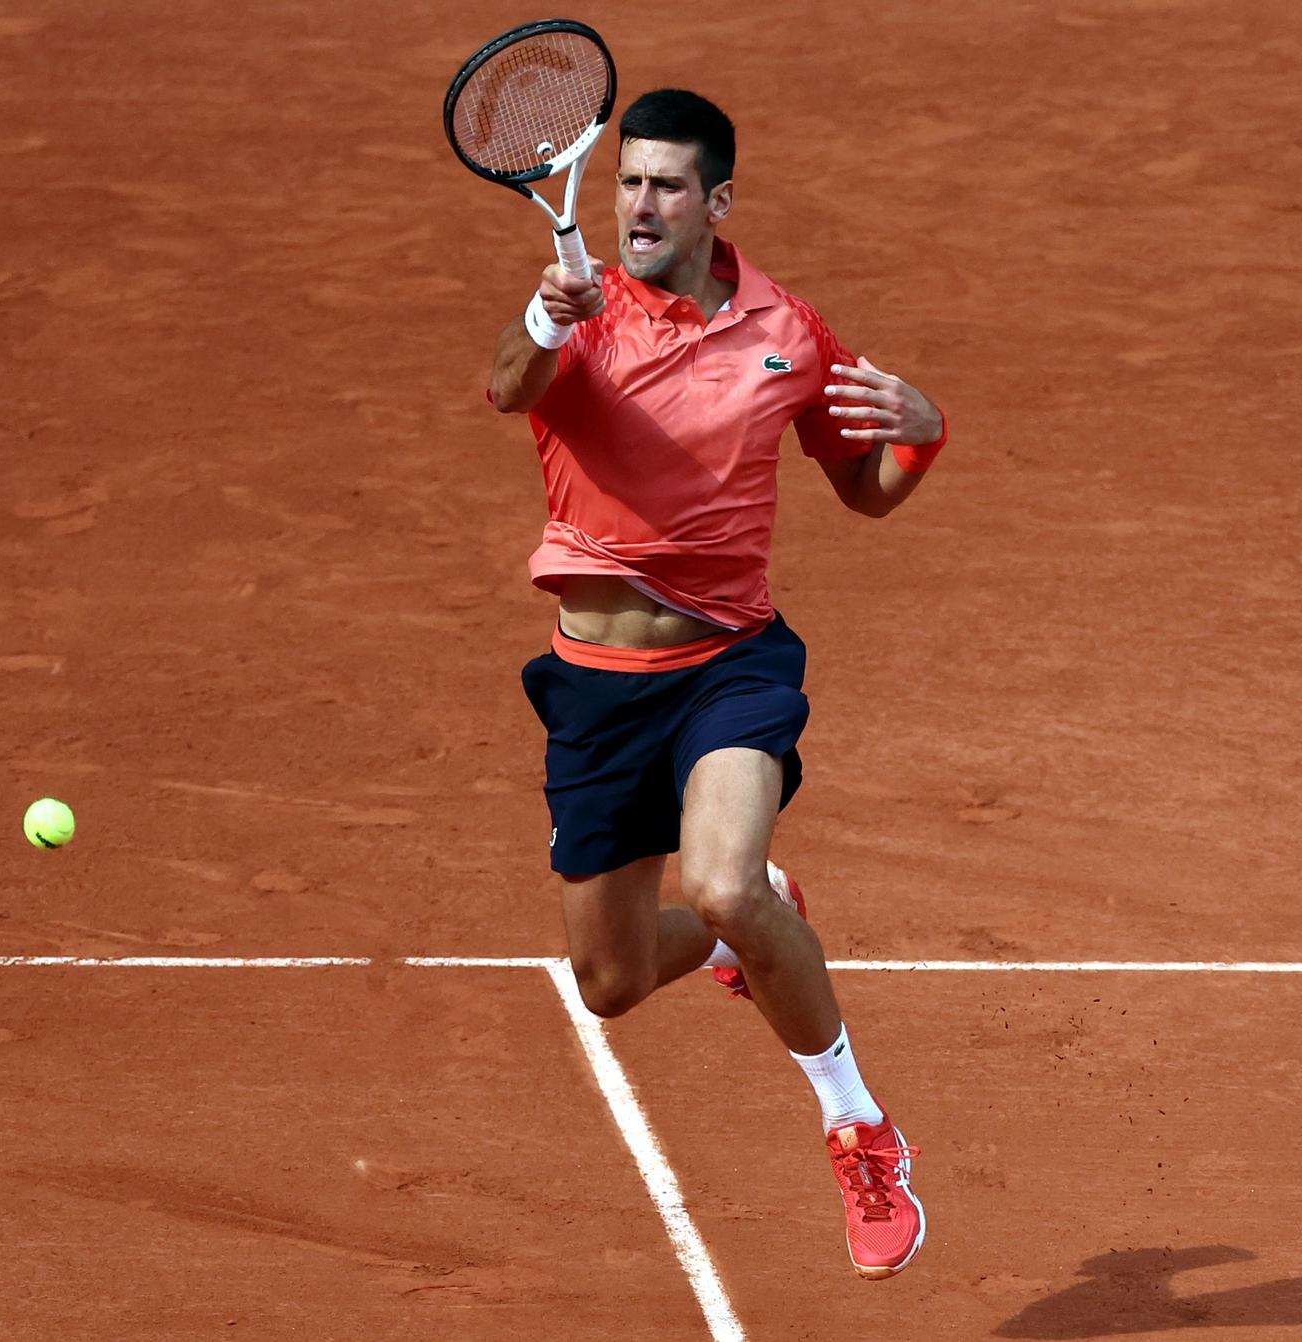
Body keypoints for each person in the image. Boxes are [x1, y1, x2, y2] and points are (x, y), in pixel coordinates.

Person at [486, 89, 946, 1280]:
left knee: (724, 880)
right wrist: (541, 320)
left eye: (665, 185)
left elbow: (864, 488)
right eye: (628, 180)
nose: (639, 204)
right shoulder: (576, 312)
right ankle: (750, 925)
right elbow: (504, 390)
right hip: (594, 686)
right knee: (610, 980)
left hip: (728, 667)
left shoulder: (787, 331)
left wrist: (922, 434)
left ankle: (859, 1125)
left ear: (716, 201)